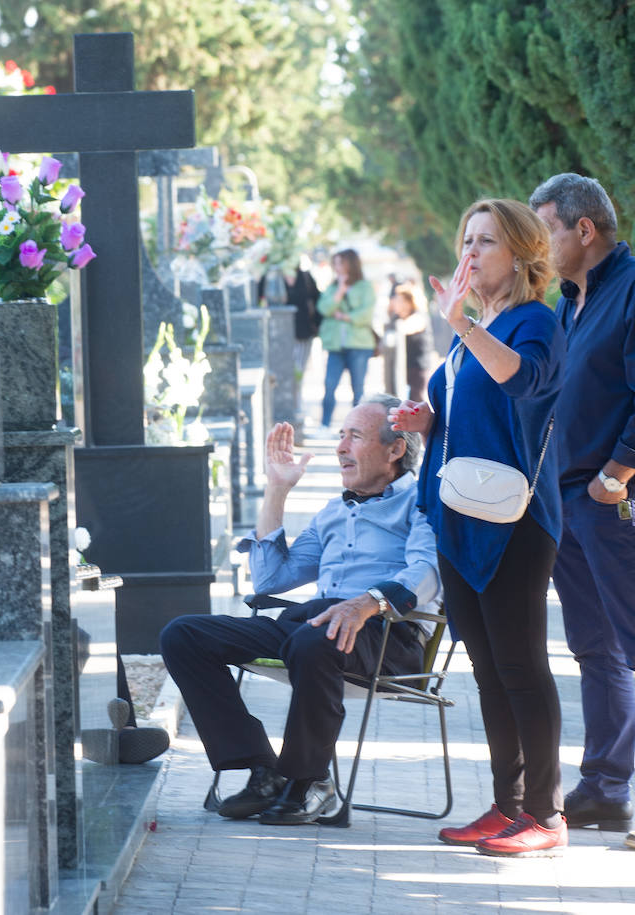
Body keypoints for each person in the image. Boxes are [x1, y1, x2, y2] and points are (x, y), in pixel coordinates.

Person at [160, 396, 439, 826]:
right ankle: (264, 770)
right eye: (341, 435)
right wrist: (278, 488)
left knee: (315, 638)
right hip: (316, 625)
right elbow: (271, 581)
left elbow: (426, 572)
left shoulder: (423, 502)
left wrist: (367, 602)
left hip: (387, 632)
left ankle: (309, 782)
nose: (341, 446)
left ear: (395, 449)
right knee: (184, 635)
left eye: (355, 436)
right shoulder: (333, 512)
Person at [389, 198, 567, 857]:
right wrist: (426, 425)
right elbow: (478, 416)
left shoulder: (534, 322)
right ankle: (507, 804)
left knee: (522, 665)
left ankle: (546, 815)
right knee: (490, 669)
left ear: (521, 255)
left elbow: (523, 383)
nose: (469, 253)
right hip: (461, 515)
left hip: (516, 522)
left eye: (485, 242)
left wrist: (461, 322)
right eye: (466, 239)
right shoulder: (477, 328)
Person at [529, 173, 635, 851]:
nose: (540, 244)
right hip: (568, 503)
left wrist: (614, 476)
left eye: (546, 229)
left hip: (619, 500)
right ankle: (603, 787)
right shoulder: (571, 301)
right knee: (593, 649)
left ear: (583, 229)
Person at [316, 249, 376, 428]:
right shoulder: (332, 287)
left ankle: (357, 428)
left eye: (341, 263)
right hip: (335, 345)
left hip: (359, 344)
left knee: (358, 388)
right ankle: (325, 424)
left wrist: (345, 317)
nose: (337, 267)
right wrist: (340, 292)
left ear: (351, 264)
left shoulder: (365, 286)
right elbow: (324, 309)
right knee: (329, 385)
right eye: (335, 263)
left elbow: (366, 313)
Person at [258, 258, 323, 417]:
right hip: (276, 337)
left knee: (297, 374)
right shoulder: (270, 276)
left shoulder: (305, 277)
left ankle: (295, 408)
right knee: (278, 374)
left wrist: (316, 329)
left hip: (302, 335)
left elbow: (317, 302)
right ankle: (278, 410)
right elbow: (258, 299)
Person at [385, 280, 441, 403]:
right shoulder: (395, 318)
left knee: (416, 400)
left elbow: (410, 326)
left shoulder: (419, 316)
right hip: (401, 367)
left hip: (418, 367)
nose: (396, 303)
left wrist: (400, 327)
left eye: (399, 300)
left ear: (409, 302)